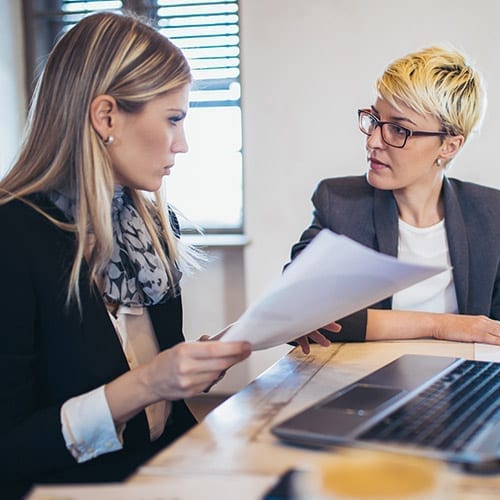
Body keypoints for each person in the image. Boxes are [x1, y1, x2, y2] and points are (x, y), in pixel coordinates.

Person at [0, 11, 257, 498]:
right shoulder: (12, 237)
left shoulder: (156, 227)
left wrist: (220, 350)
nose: (183, 144)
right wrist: (149, 383)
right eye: (173, 119)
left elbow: (162, 404)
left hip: (167, 473)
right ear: (106, 116)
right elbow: (9, 450)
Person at [288, 45, 500, 346]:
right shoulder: (341, 203)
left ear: (449, 146)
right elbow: (295, 310)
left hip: (459, 380)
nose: (373, 141)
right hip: (365, 379)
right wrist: (441, 325)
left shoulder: (491, 214)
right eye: (374, 120)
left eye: (399, 130)